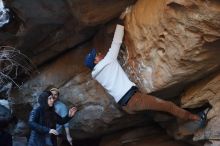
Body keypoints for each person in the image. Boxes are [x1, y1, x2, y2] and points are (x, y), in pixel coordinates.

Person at [84, 20, 202, 122]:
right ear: (96, 61)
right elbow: (116, 42)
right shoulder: (108, 61)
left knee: (158, 110)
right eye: (97, 55)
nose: (100, 54)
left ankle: (178, 119)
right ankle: (195, 118)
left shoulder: (97, 75)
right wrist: (120, 24)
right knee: (168, 106)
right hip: (134, 99)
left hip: (127, 106)